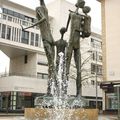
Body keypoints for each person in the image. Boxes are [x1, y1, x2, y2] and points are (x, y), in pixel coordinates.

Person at [21, 0, 55, 95]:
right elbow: (43, 6)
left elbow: (43, 18)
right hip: (51, 38)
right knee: (52, 65)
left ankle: (49, 91)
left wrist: (31, 26)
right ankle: (53, 90)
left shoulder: (39, 10)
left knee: (51, 65)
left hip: (46, 39)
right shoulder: (45, 9)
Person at [65, 0, 91, 97]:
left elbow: (86, 31)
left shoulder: (82, 17)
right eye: (81, 4)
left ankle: (79, 93)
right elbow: (67, 27)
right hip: (71, 42)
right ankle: (64, 92)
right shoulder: (72, 14)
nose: (82, 6)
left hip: (76, 43)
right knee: (67, 67)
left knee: (78, 68)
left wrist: (80, 31)